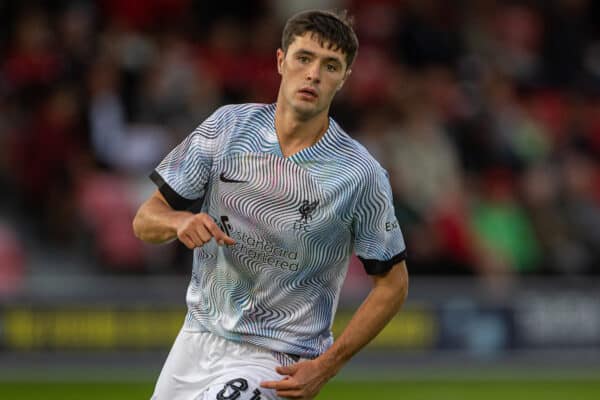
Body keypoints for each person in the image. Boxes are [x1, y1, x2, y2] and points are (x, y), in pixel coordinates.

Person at [133, 9, 409, 400]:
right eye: (304, 58)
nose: (314, 74)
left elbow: (393, 285)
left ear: (344, 79)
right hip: (196, 338)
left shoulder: (360, 174)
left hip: (277, 356)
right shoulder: (226, 128)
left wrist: (328, 365)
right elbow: (145, 219)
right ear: (281, 61)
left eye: (330, 66)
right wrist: (178, 221)